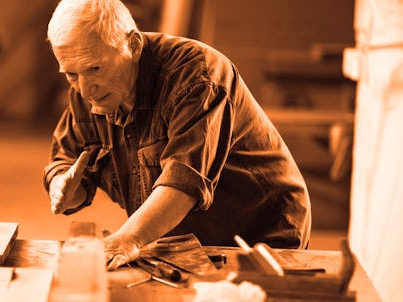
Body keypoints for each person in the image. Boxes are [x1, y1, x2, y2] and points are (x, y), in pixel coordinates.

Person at [42, 0, 311, 271]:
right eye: (71, 75)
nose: (85, 90)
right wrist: (63, 188)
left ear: (133, 45)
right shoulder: (89, 92)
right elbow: (64, 159)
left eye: (95, 69)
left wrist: (127, 239)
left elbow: (183, 182)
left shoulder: (197, 77)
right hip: (186, 240)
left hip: (261, 234)